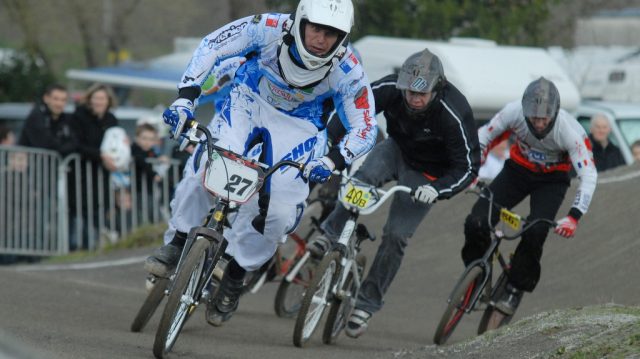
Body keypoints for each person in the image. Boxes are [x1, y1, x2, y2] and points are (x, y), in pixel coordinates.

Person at [144, 0, 376, 327]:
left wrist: (333, 159)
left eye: (332, 34)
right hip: (247, 102)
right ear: (300, 21)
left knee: (277, 212)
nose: (322, 39)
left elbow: (365, 126)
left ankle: (236, 275)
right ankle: (180, 240)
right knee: (205, 171)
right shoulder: (266, 28)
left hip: (300, 128)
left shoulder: (348, 69)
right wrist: (186, 97)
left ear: (344, 37)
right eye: (317, 29)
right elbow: (212, 46)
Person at [308, 48, 481, 338]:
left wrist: (437, 189)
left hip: (427, 176)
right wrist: (330, 144)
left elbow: (468, 168)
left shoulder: (454, 112)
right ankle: (329, 235)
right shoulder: (390, 88)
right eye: (409, 91)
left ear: (437, 90)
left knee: (396, 235)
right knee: (361, 181)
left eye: (421, 94)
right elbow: (354, 110)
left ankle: (367, 303)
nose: (413, 98)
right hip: (396, 149)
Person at [461, 77, 598, 316]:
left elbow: (589, 175)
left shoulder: (569, 130)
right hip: (517, 171)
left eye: (545, 118)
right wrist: (472, 173)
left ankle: (515, 286)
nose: (539, 123)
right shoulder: (513, 112)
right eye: (534, 117)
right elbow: (483, 136)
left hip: (552, 181)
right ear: (524, 111)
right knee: (476, 221)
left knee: (536, 231)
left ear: (555, 112)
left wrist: (573, 217)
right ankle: (476, 272)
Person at [70, 83, 120, 250]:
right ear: (90, 99)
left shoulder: (111, 119)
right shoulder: (79, 116)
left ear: (108, 101)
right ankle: (81, 246)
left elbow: (116, 142)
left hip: (103, 173)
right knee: (81, 208)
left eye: (102, 98)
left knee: (101, 206)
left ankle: (101, 240)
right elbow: (76, 144)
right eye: (96, 98)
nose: (99, 101)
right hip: (81, 171)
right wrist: (100, 155)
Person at [18, 84, 77, 156]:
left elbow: (75, 141)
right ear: (46, 98)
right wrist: (67, 147)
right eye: (55, 99)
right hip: (34, 165)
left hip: (54, 165)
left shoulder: (65, 118)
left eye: (63, 100)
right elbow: (46, 144)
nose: (59, 103)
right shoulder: (36, 116)